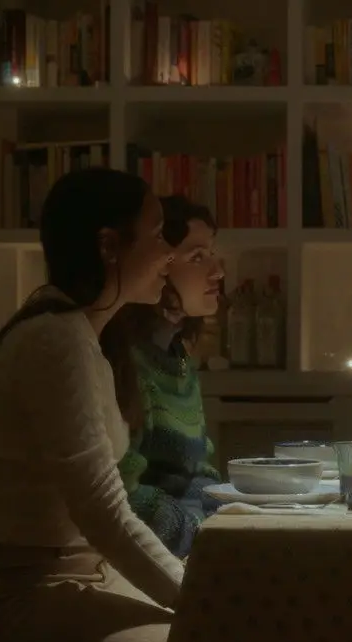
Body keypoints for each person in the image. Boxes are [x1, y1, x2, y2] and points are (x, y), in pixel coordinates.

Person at [0, 168, 352, 642]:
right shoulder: (54, 342)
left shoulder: (79, 336)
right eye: (157, 236)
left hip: (77, 581)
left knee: (266, 630)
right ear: (109, 247)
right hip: (5, 605)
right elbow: (106, 513)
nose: (167, 253)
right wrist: (195, 597)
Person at [102, 196, 225, 558]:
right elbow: (124, 497)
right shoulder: (124, 361)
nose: (218, 271)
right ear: (159, 264)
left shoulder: (176, 356)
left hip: (185, 544)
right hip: (145, 557)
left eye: (212, 254)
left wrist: (228, 509)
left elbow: (198, 472)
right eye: (197, 257)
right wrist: (201, 529)